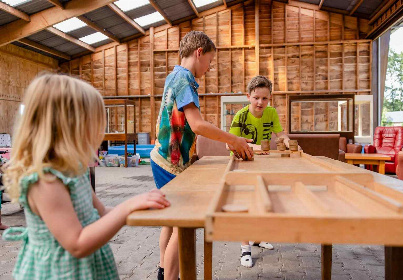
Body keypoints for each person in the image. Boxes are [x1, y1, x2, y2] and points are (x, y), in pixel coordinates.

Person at [2, 74, 170, 279]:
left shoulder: (74, 170)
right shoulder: (45, 182)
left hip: (86, 269)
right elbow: (77, 243)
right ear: (68, 128)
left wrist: (139, 206)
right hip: (59, 272)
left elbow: (101, 213)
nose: (99, 134)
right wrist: (127, 208)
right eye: (94, 125)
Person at [150, 30, 253, 280]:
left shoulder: (174, 75)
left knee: (170, 220)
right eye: (209, 61)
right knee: (183, 224)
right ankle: (171, 277)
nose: (209, 68)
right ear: (199, 53)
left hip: (161, 158)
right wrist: (234, 139)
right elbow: (197, 125)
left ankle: (163, 271)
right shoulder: (185, 79)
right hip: (171, 163)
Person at [228, 75, 291, 268]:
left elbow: (280, 133)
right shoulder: (241, 116)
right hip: (243, 163)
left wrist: (286, 140)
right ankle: (245, 248)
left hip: (263, 163)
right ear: (248, 96)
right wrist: (253, 147)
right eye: (256, 98)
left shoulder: (271, 113)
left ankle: (258, 238)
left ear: (269, 99)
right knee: (246, 204)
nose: (260, 102)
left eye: (265, 98)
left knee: (264, 200)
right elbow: (229, 144)